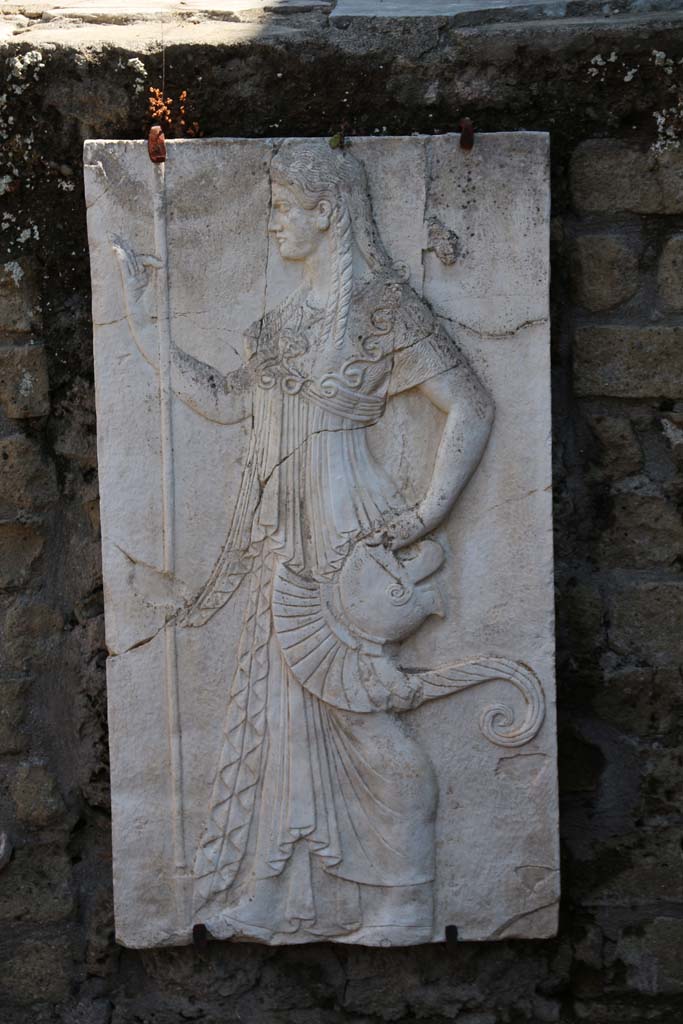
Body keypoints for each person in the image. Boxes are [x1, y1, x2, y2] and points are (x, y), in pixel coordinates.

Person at [114, 139, 494, 945]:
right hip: (285, 540)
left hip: (350, 534)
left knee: (365, 719)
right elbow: (224, 403)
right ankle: (274, 892)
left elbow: (470, 404)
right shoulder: (279, 326)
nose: (274, 223)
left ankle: (407, 900)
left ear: (328, 213)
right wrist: (144, 323)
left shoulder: (383, 309)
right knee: (283, 721)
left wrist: (427, 513)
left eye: (285, 208)